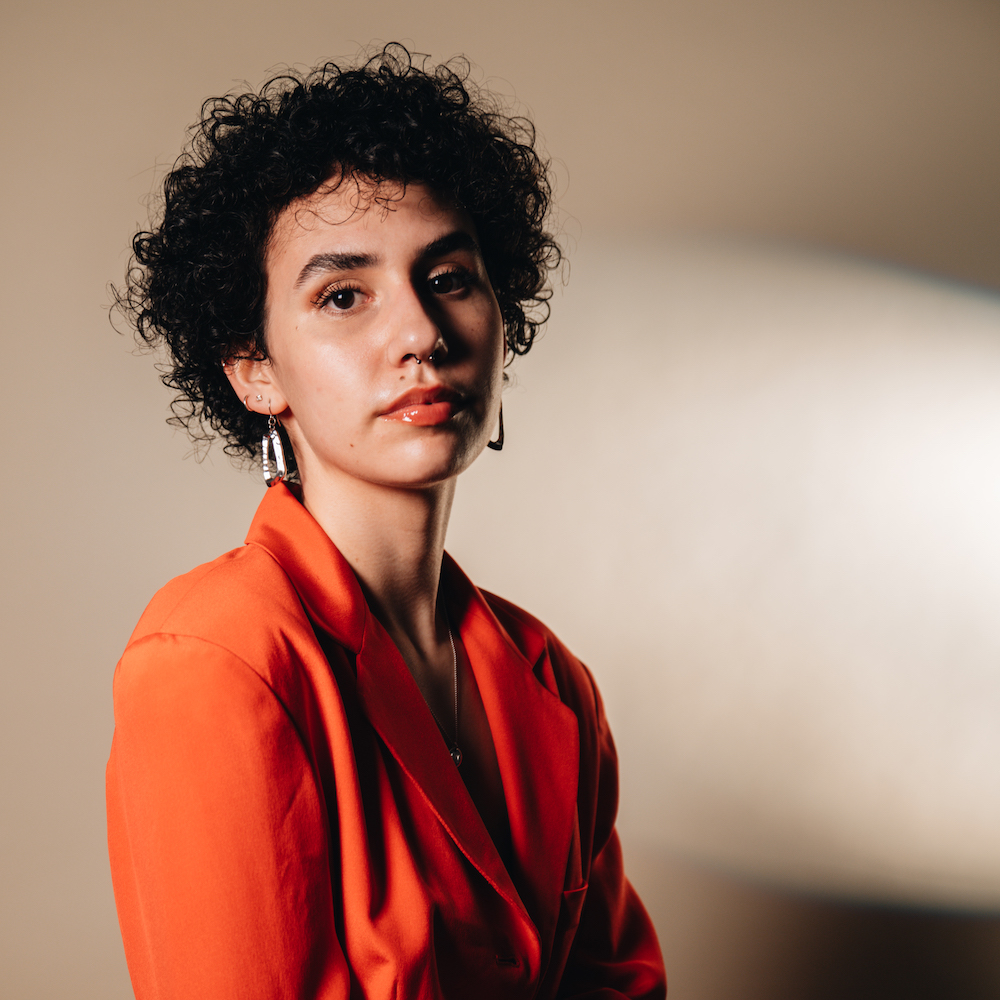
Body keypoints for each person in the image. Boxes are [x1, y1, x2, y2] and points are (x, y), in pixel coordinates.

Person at [106, 44, 666, 1000]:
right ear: (254, 368)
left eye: (448, 277)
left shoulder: (554, 682)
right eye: (343, 296)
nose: (420, 334)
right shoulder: (213, 660)